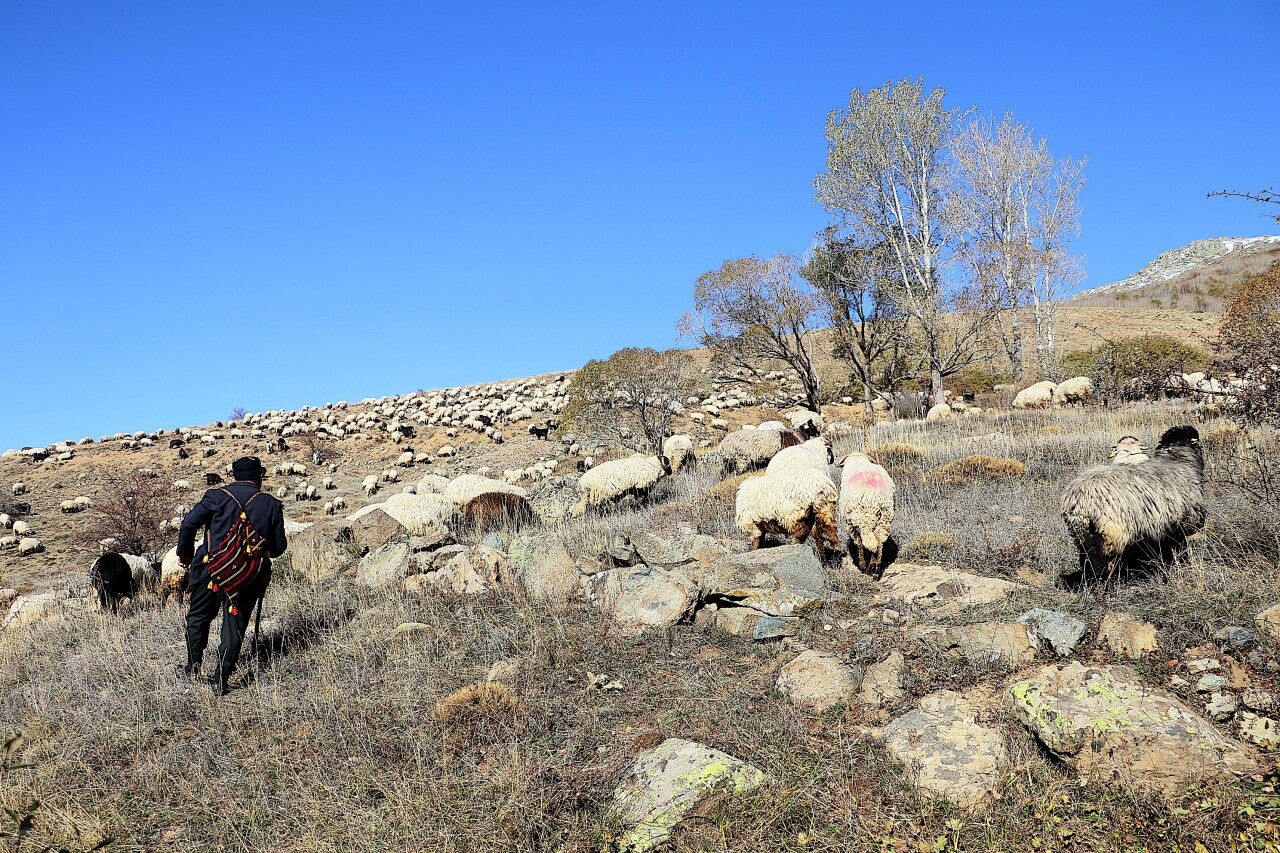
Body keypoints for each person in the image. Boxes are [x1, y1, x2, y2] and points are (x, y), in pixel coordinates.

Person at [175, 455, 287, 695]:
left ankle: (193, 668)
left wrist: (184, 554)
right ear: (259, 477)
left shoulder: (215, 496)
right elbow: (278, 549)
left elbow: (188, 524)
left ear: (234, 476)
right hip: (248, 576)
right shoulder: (271, 504)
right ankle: (220, 679)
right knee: (234, 625)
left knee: (198, 618)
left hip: (209, 571)